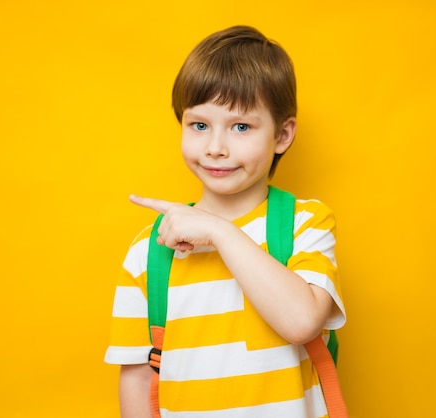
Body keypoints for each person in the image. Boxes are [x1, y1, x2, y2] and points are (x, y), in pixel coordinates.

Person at [105, 25, 346, 418]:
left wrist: (218, 231)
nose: (216, 148)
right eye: (199, 125)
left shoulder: (305, 224)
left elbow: (302, 322)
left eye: (241, 127)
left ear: (282, 135)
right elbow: (134, 373)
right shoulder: (148, 251)